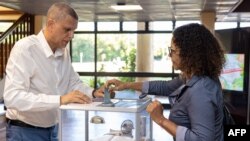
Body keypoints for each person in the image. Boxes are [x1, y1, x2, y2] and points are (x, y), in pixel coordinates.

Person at [104, 23, 225, 141]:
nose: (169, 55)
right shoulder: (193, 77)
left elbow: (202, 139)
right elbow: (166, 87)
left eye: (172, 50)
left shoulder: (200, 90)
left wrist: (160, 119)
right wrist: (127, 85)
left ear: (188, 54)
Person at [3, 2, 102, 141]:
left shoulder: (64, 52)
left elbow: (72, 82)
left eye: (74, 30)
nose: (71, 35)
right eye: (67, 29)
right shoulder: (25, 49)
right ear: (50, 24)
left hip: (53, 129)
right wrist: (60, 100)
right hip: (25, 131)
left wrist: (93, 92)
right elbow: (13, 97)